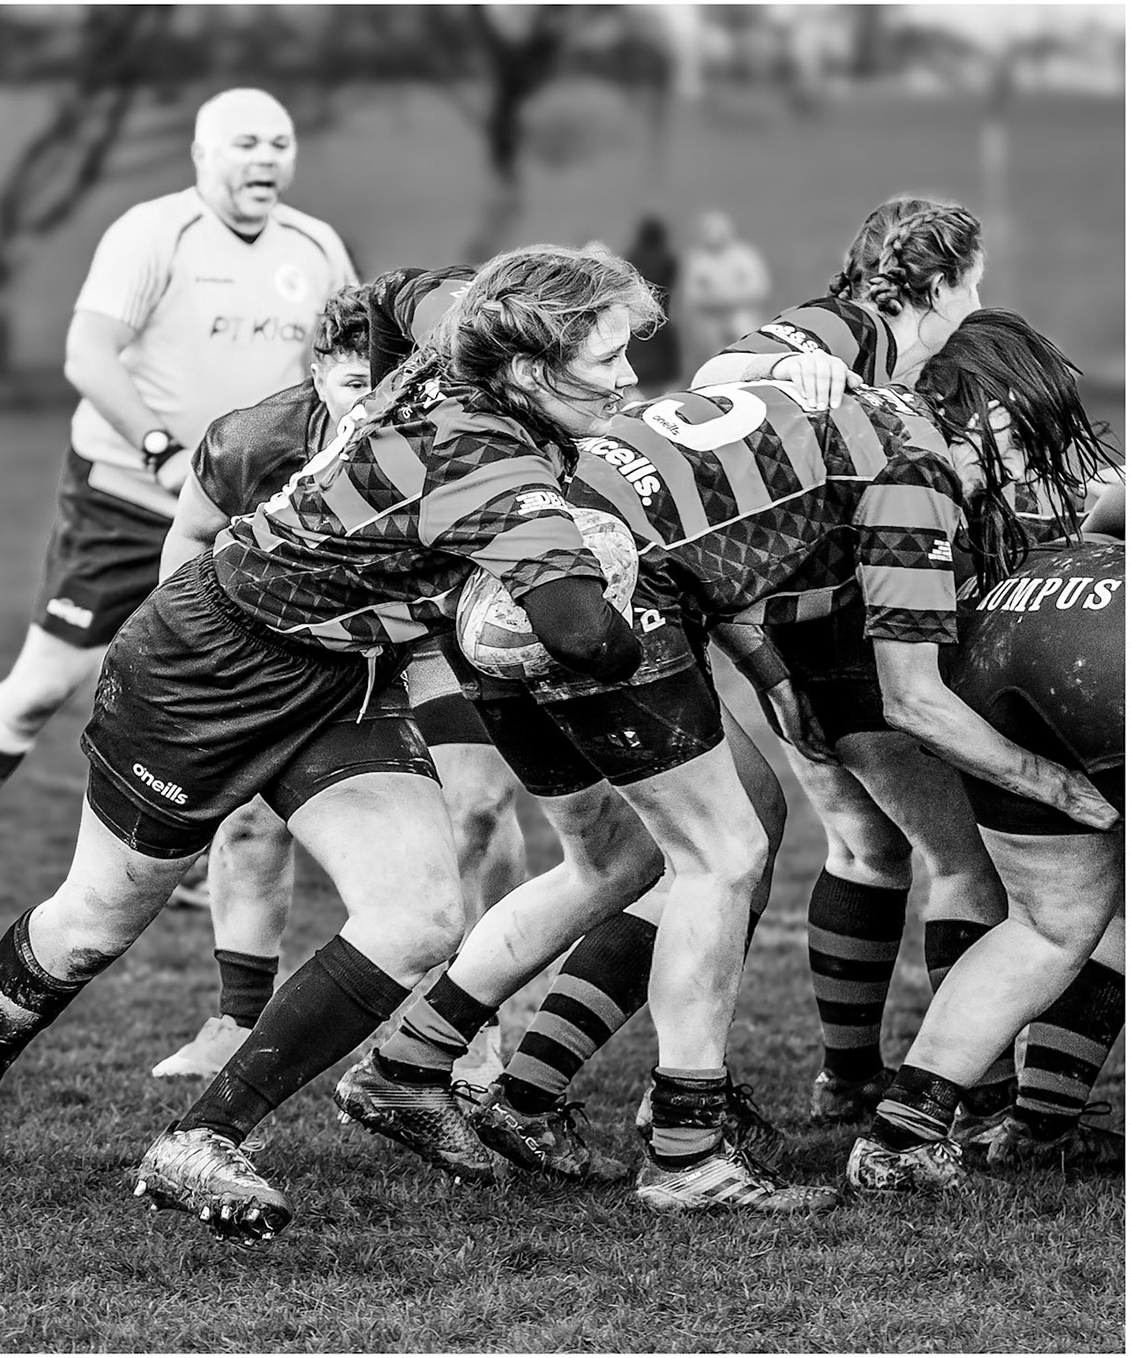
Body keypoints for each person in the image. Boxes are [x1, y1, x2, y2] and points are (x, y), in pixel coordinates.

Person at [0, 244, 738, 1244]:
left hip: (341, 675)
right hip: (204, 672)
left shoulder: (458, 322)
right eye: (607, 359)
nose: (632, 377)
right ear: (526, 370)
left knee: (420, 912)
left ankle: (202, 1136)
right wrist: (619, 584)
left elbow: (387, 293)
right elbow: (584, 638)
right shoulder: (493, 472)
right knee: (94, 920)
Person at [352, 310, 1116, 1208]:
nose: (1024, 471)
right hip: (599, 596)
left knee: (627, 860)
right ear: (986, 411)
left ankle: (419, 1062)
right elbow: (914, 700)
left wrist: (775, 681)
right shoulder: (917, 464)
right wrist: (1054, 782)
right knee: (726, 857)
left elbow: (719, 523)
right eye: (1026, 442)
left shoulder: (844, 403)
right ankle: (685, 1151)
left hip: (514, 580)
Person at [0, 88, 357, 918]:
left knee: (243, 685)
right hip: (125, 497)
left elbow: (342, 368)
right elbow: (88, 355)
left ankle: (207, 867)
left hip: (248, 517)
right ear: (202, 155)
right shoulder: (152, 232)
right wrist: (163, 452)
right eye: (245, 144)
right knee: (45, 683)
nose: (265, 158)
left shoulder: (316, 246)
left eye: (279, 142)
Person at [687, 198, 1024, 1127]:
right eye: (975, 278)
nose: (978, 297)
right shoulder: (853, 328)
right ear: (944, 279)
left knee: (866, 848)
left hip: (788, 625)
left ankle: (847, 1076)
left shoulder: (875, 346)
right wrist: (787, 364)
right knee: (965, 866)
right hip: (844, 622)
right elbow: (723, 373)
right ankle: (980, 1102)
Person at [147, 284, 529, 1091]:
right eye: (359, 384)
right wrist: (211, 656)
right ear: (319, 373)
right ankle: (235, 1022)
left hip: (425, 635)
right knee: (248, 818)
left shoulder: (452, 428)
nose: (378, 402)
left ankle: (476, 1021)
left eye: (392, 380)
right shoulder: (254, 440)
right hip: (298, 647)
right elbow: (189, 533)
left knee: (480, 807)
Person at [845, 497, 1123, 1184]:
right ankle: (1035, 1122)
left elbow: (1107, 514)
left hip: (1023, 610)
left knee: (1047, 925)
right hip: (1105, 637)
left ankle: (905, 1136)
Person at [679, 210, 769, 364]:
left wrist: (730, 300)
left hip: (741, 313)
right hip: (710, 319)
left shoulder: (743, 255)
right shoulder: (697, 260)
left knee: (748, 347)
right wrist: (714, 302)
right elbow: (692, 295)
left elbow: (759, 287)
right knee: (716, 356)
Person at [623, 216, 682, 398]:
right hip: (662, 313)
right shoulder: (666, 258)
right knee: (663, 354)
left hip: (638, 314)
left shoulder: (633, 256)